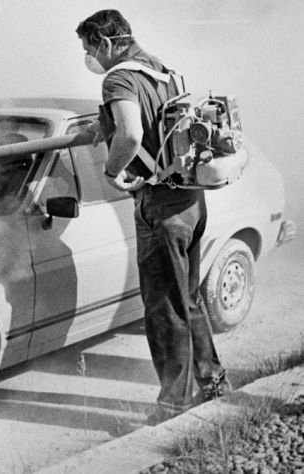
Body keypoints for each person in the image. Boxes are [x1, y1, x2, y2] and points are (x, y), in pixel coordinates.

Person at [75, 9, 230, 424]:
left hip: (160, 204)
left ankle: (174, 405)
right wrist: (101, 124)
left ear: (105, 43)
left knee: (163, 307)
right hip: (191, 198)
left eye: (88, 47)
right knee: (188, 298)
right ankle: (212, 381)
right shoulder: (163, 70)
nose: (88, 56)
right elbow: (154, 122)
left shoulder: (117, 78)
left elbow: (131, 134)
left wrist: (112, 171)